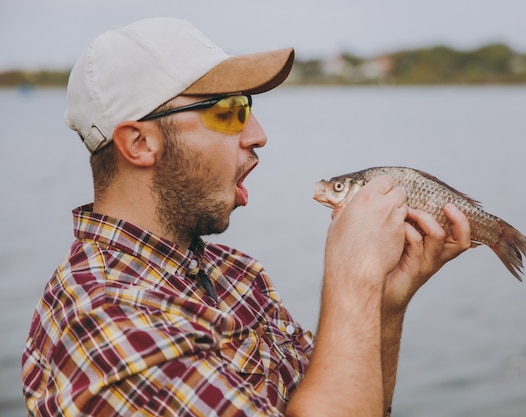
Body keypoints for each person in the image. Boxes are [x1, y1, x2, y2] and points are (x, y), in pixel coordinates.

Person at [22, 17, 471, 417]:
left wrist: (382, 305)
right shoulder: (107, 324)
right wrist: (351, 280)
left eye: (248, 109)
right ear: (139, 144)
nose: (258, 135)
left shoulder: (236, 275)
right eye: (229, 112)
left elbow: (357, 402)